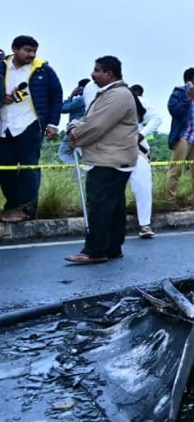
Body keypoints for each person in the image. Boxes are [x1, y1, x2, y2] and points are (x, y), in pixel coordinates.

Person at [63, 56, 139, 264]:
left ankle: (95, 250)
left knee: (99, 205)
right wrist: (75, 126)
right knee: (113, 205)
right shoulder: (113, 94)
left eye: (97, 70)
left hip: (109, 158)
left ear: (109, 73)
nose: (93, 74)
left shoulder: (117, 95)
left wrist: (75, 136)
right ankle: (113, 248)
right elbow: (89, 120)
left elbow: (96, 126)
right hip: (115, 156)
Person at [0, 35, 64, 223]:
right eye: (27, 50)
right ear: (15, 49)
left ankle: (27, 209)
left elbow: (56, 95)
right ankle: (12, 206)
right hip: (4, 126)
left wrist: (52, 123)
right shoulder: (2, 67)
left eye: (34, 51)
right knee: (5, 170)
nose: (31, 54)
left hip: (29, 124)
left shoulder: (43, 70)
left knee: (30, 168)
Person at [166, 68, 194, 209]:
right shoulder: (178, 94)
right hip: (183, 136)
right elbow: (175, 111)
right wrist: (188, 99)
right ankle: (169, 200)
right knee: (176, 169)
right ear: (188, 81)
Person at [129, 84, 162, 237]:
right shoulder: (104, 99)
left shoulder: (136, 101)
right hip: (112, 150)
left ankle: (145, 225)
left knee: (143, 187)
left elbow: (157, 118)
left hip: (137, 150)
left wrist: (141, 135)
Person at [57, 79, 92, 165]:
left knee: (64, 152)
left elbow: (62, 108)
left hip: (75, 129)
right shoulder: (93, 99)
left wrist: (71, 96)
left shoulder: (80, 100)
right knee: (85, 153)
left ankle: (78, 171)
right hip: (89, 129)